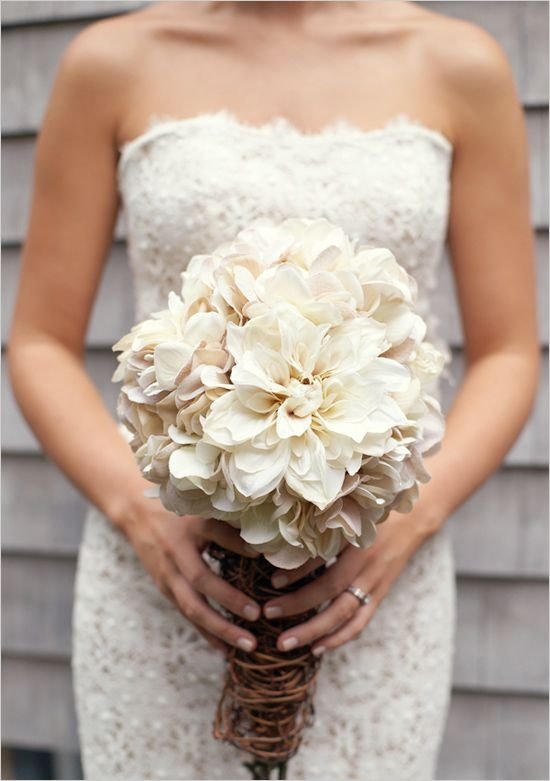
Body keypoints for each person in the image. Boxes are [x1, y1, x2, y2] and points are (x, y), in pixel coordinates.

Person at [7, 1, 539, 779]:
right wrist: (141, 515)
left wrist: (406, 523)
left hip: (374, 576)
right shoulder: (110, 62)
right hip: (162, 567)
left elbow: (510, 352)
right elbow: (40, 341)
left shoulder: (459, 65)